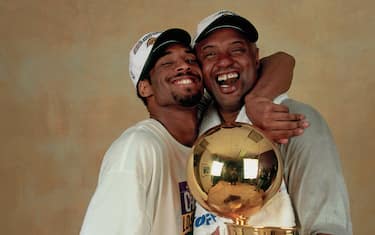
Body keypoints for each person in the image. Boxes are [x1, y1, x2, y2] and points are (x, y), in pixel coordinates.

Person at [79, 26, 304, 234]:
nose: (184, 65)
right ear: (145, 87)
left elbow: (281, 61)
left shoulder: (204, 129)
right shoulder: (137, 149)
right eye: (167, 63)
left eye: (189, 59)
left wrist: (257, 99)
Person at [192, 10, 352, 235]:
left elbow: (328, 225)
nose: (225, 61)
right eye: (210, 54)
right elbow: (282, 61)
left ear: (256, 57)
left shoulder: (294, 121)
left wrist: (256, 101)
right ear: (199, 68)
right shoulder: (195, 122)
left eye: (237, 50)